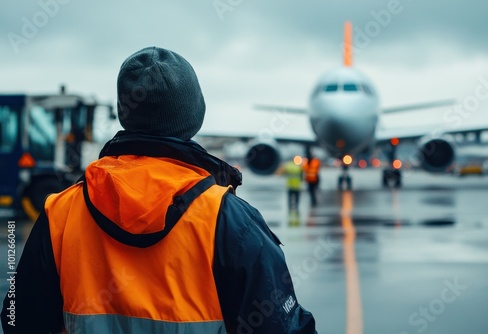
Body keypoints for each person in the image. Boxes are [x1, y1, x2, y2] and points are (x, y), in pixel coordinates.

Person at [1, 47, 316, 333]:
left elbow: (17, 320)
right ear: (194, 116)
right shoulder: (229, 220)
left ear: (125, 113)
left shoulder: (61, 212)